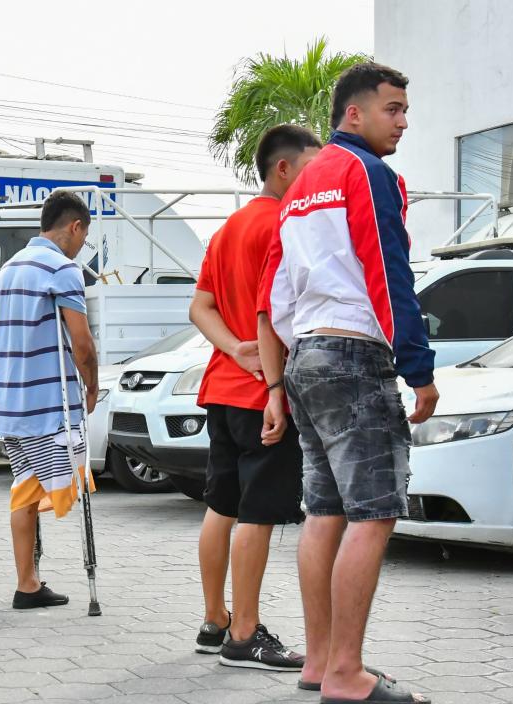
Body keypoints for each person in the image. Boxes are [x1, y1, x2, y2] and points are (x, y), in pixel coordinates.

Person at [257, 63, 438, 704]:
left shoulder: (303, 184)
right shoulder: (369, 173)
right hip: (355, 354)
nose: (404, 122)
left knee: (325, 512)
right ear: (353, 114)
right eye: (393, 109)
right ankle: (345, 675)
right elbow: (389, 270)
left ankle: (319, 664)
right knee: (375, 512)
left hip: (305, 355)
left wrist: (277, 386)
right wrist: (418, 368)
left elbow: (272, 294)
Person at [188, 125, 321, 669]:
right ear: (284, 169)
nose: (320, 178)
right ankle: (245, 634)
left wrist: (235, 351)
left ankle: (215, 620)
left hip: (222, 388)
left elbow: (200, 307)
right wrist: (267, 375)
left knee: (221, 507)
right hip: (263, 394)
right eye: (312, 167)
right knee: (257, 515)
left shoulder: (227, 230)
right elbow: (273, 313)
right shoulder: (286, 226)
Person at [0, 190, 98, 610]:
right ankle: (30, 582)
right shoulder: (63, 270)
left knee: (24, 490)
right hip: (48, 408)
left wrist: (14, 366)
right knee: (65, 479)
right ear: (75, 226)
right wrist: (92, 385)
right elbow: (82, 343)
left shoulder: (8, 269)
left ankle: (27, 583)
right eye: (84, 235)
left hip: (10, 406)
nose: (83, 243)